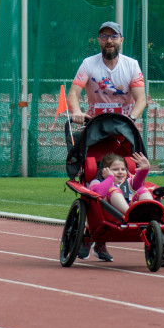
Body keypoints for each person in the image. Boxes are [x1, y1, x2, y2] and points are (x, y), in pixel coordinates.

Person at [67, 21, 148, 260]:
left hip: (122, 131)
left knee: (129, 173)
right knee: (91, 177)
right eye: (104, 36)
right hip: (94, 129)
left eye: (113, 36)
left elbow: (141, 99)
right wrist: (76, 111)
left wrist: (132, 117)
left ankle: (105, 236)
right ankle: (93, 232)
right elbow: (74, 93)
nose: (109, 40)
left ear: (121, 40)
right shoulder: (89, 64)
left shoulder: (131, 65)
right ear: (99, 40)